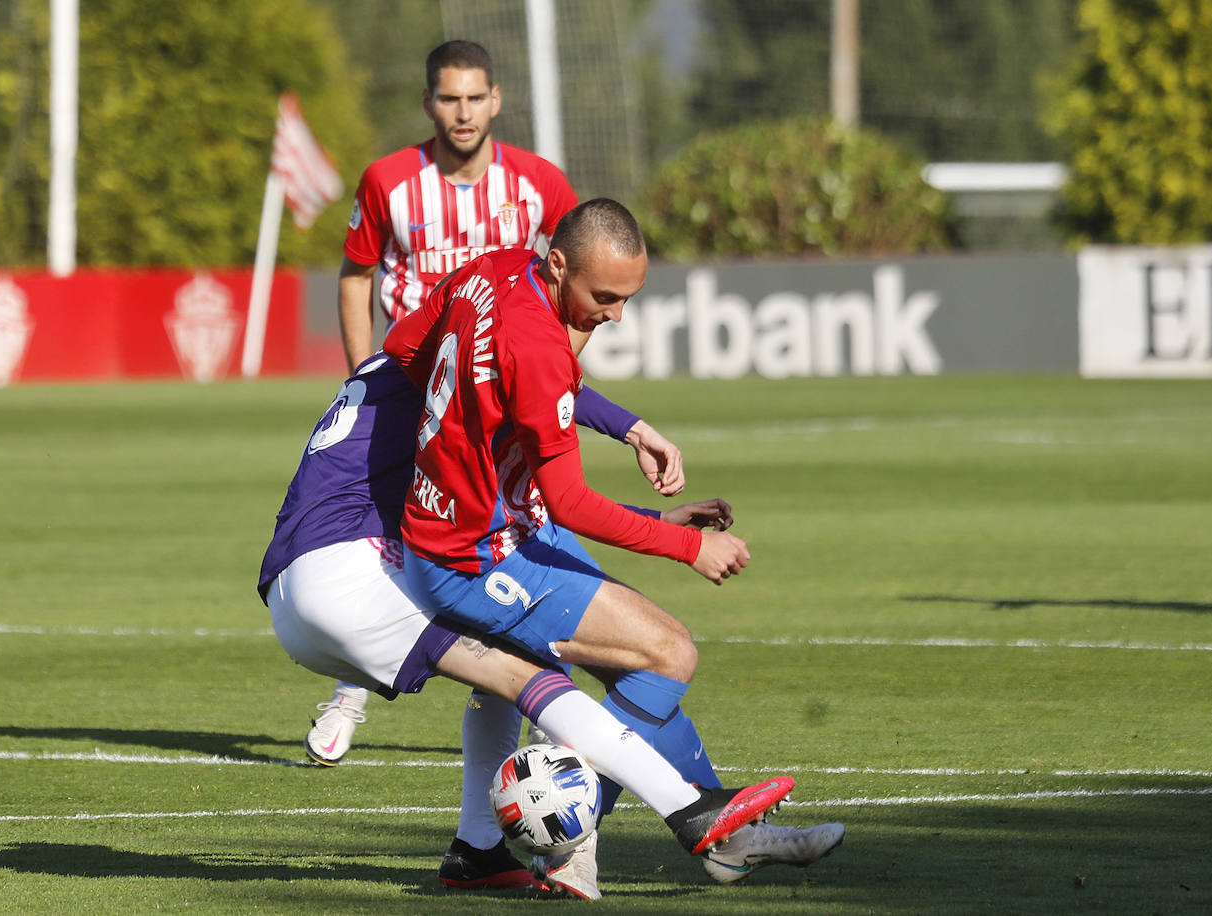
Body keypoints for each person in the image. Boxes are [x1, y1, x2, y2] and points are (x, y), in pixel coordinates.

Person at [382, 198, 844, 897]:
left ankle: (722, 839)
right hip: (474, 558)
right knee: (669, 652)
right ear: (560, 262)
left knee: (636, 667)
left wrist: (626, 427)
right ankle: (566, 834)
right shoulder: (539, 343)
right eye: (604, 297)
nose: (616, 314)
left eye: (629, 297)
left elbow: (407, 350)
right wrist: (686, 547)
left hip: (491, 527)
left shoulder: (496, 271)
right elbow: (568, 495)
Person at [258, 354, 838, 895]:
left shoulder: (405, 364)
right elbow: (544, 436)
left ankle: (479, 849)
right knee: (537, 675)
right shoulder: (462, 366)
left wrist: (652, 507)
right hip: (350, 572)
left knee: (512, 663)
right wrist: (663, 506)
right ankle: (687, 814)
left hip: (298, 580)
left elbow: (517, 495)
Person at [306, 38, 580, 764]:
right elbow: (355, 274)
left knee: (517, 531)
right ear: (429, 103)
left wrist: (561, 371)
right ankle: (352, 690)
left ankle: (537, 697)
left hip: (499, 403)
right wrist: (362, 372)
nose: (462, 113)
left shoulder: (540, 186)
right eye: (448, 99)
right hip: (411, 394)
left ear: (496, 100)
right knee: (383, 532)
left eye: (474, 98)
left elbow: (577, 280)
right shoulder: (390, 181)